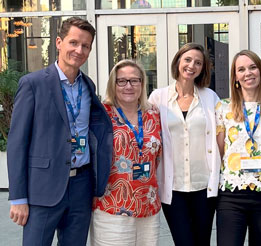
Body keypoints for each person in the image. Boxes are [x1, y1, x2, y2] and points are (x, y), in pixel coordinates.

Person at [7, 17, 113, 245]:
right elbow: (17, 144)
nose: (79, 50)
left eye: (85, 46)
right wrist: (18, 197)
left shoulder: (88, 85)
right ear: (58, 42)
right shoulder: (33, 83)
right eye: (73, 42)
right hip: (42, 189)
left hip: (81, 186)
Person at [148, 43, 221, 246]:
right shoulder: (158, 98)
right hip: (173, 186)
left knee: (202, 241)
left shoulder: (210, 97)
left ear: (203, 68)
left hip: (203, 185)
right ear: (178, 61)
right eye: (187, 60)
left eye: (198, 62)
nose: (192, 65)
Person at [215, 50, 261, 246]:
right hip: (231, 194)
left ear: (260, 71)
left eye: (252, 67)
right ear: (235, 77)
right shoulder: (223, 108)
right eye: (241, 69)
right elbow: (220, 151)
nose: (248, 73)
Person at [90, 59, 162, 246]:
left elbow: (158, 156)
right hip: (111, 207)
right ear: (113, 84)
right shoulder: (100, 114)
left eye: (134, 80)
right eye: (121, 81)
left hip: (148, 205)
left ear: (142, 83)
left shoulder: (153, 113)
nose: (128, 86)